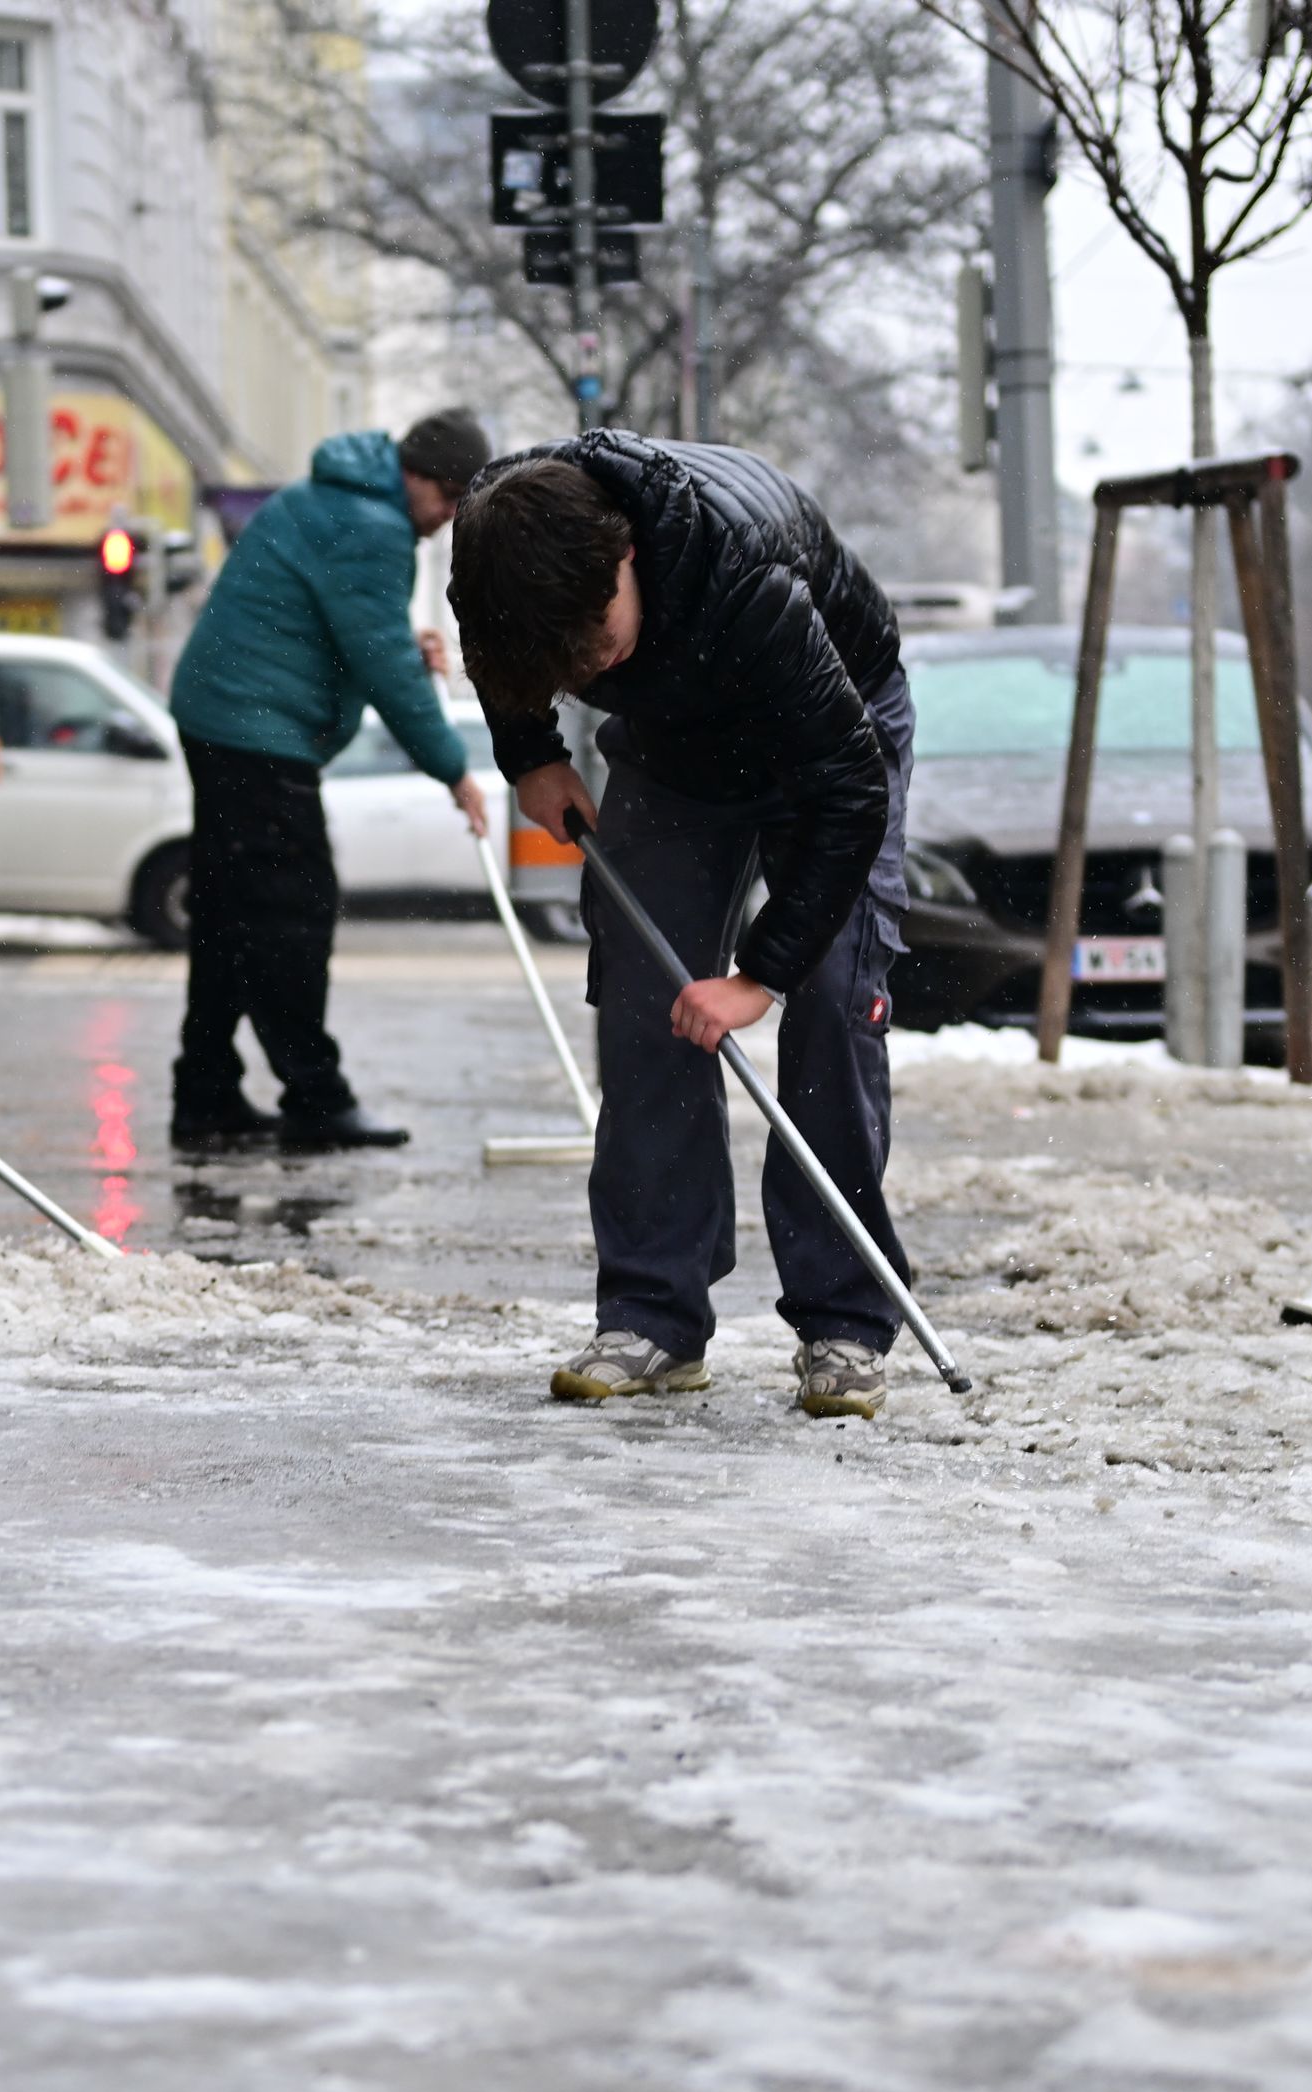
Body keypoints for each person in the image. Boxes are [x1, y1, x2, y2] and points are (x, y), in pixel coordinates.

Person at [450, 432, 918, 1420]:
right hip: (674, 749)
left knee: (831, 999)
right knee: (640, 992)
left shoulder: (745, 573)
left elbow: (847, 795)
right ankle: (653, 1314)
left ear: (624, 554)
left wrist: (760, 974)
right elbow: (499, 657)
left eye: (595, 637)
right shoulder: (497, 545)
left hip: (829, 745)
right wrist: (530, 751)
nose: (588, 663)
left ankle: (843, 1317)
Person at [161, 411, 494, 1152]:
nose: (442, 524)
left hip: (223, 718)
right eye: (445, 500)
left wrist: (400, 645)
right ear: (417, 476)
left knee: (228, 916)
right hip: (254, 733)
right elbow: (380, 665)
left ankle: (206, 1093)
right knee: (292, 915)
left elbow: (333, 627)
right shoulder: (371, 524)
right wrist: (452, 768)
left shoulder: (338, 498)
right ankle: (315, 1097)